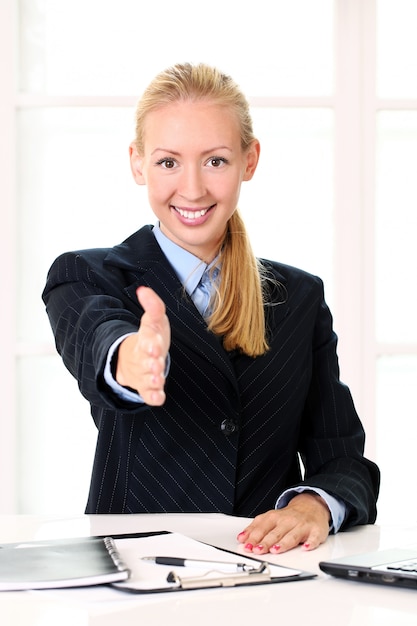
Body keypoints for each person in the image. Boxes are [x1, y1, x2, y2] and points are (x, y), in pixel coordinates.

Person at [42, 62, 380, 555]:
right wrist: (132, 359)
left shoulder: (299, 298)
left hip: (268, 575)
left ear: (250, 160)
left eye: (216, 161)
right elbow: (98, 336)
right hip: (138, 573)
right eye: (168, 162)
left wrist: (315, 504)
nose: (194, 188)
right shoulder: (87, 274)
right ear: (137, 164)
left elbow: (344, 458)